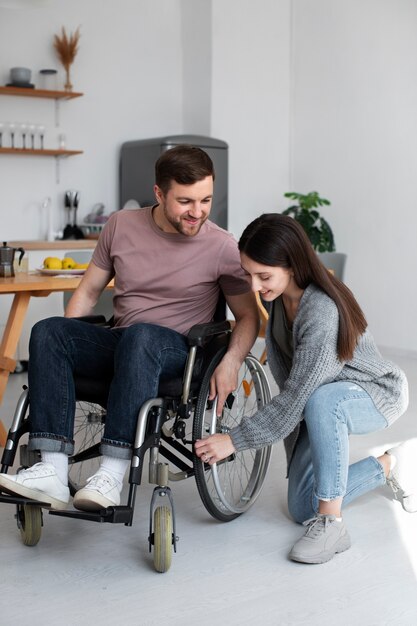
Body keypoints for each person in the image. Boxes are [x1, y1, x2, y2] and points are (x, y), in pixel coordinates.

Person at [0, 145, 259, 512]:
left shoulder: (220, 245)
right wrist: (67, 353)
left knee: (142, 336)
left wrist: (232, 361)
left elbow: (249, 316)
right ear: (159, 193)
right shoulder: (121, 225)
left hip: (180, 353)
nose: (198, 213)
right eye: (186, 201)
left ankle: (111, 474)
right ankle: (52, 471)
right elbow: (89, 291)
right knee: (48, 331)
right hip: (123, 343)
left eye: (205, 200)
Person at [195, 212, 415, 564]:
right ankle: (392, 464)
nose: (254, 286)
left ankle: (332, 524)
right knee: (301, 508)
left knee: (321, 400)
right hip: (322, 399)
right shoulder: (278, 299)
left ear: (292, 266)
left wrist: (234, 440)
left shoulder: (321, 310)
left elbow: (299, 395)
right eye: (248, 274)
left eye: (263, 276)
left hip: (375, 392)